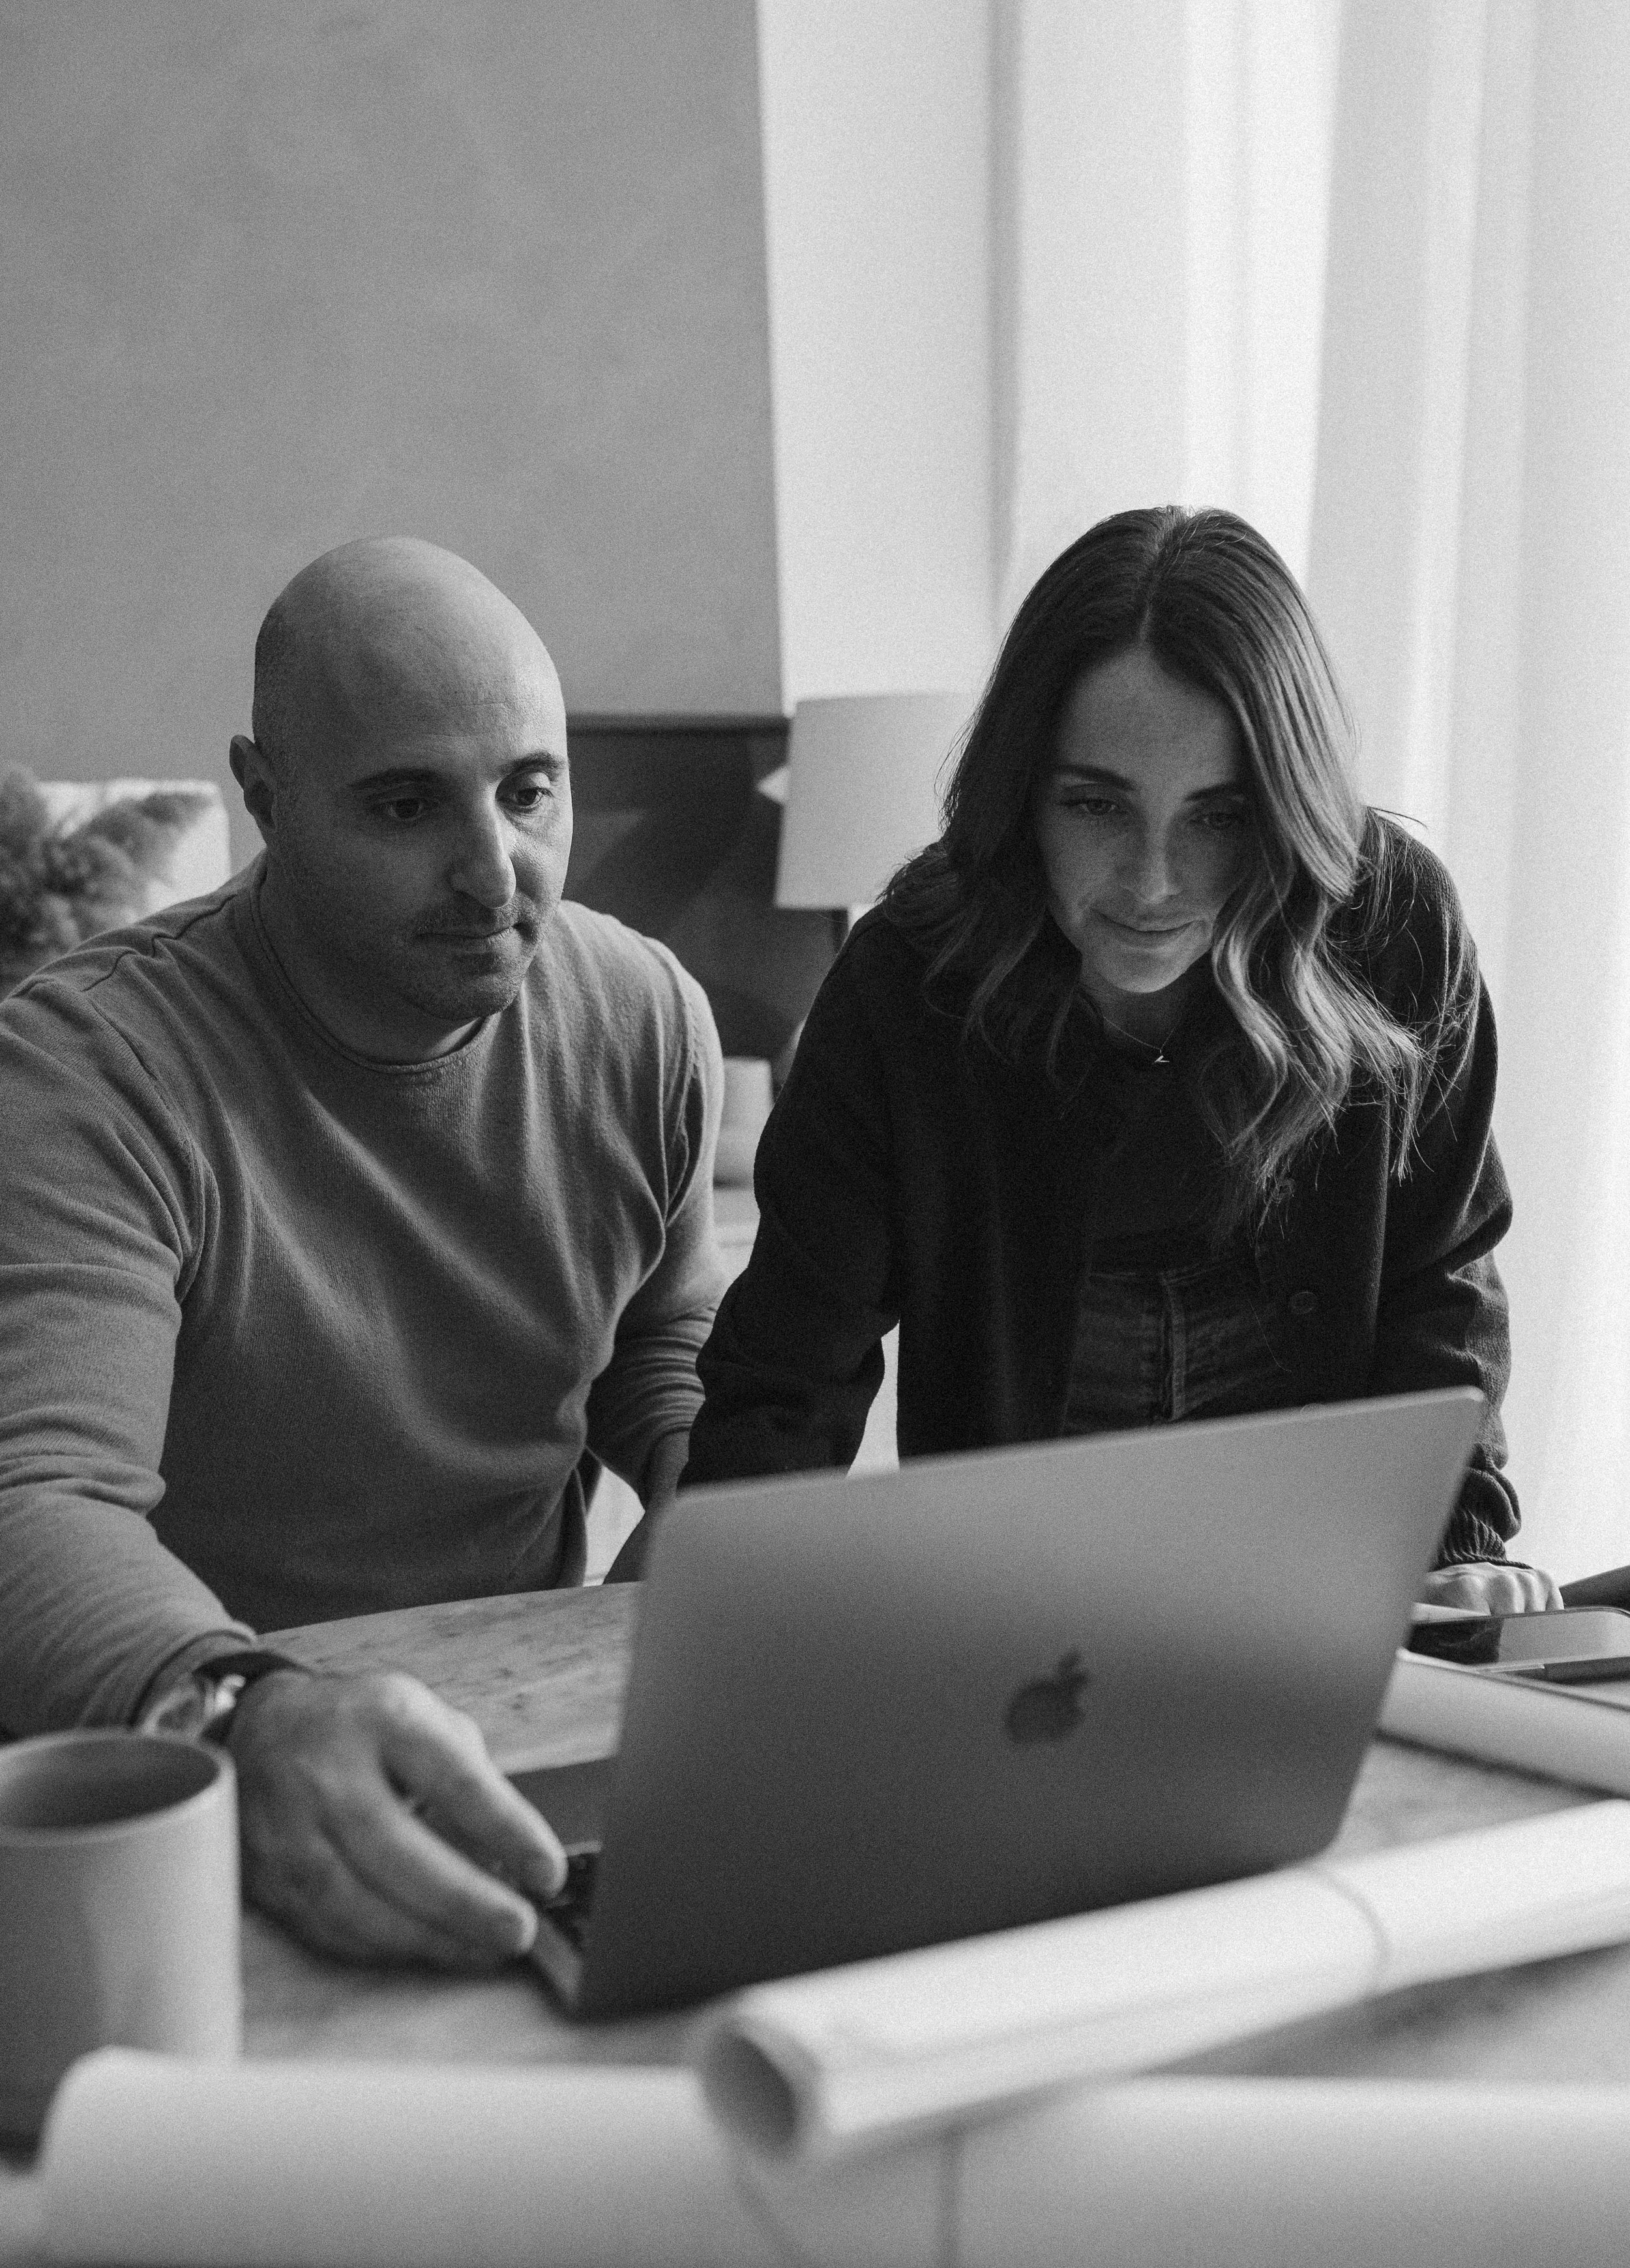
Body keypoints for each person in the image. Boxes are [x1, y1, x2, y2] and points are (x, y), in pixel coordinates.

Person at [0, 536, 726, 1965]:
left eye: (530, 791)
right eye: (404, 805)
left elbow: (661, 1340)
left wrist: (718, 1514)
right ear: (261, 796)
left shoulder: (645, 1015)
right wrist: (238, 1709)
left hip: (519, 1732)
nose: (492, 871)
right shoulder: (85, 1071)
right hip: (187, 1775)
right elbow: (33, 1499)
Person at [685, 505, 1556, 1617]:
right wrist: (712, 1611)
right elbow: (789, 1375)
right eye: (1096, 804)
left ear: (1286, 812)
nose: (1152, 883)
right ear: (1021, 792)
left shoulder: (1393, 932)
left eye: (1219, 817)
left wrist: (1458, 1544)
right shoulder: (911, 977)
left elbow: (1443, 1278)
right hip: (1016, 1631)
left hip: (1324, 1609)